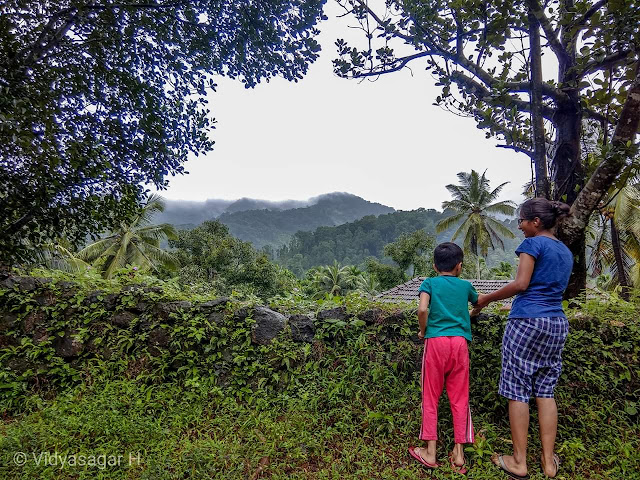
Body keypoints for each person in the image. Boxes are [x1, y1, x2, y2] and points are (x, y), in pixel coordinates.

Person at [470, 198, 573, 479]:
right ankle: (548, 462)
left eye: (522, 221)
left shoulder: (532, 244)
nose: (519, 226)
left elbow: (521, 283)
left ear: (535, 222)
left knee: (518, 389)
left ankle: (519, 461)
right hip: (556, 322)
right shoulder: (564, 251)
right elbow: (546, 289)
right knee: (546, 391)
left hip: (527, 322)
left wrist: (487, 299)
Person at [409, 242, 478, 475]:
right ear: (459, 266)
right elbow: (478, 303)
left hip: (435, 343)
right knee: (460, 397)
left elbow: (422, 310)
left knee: (431, 396)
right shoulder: (465, 286)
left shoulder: (429, 283)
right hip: (459, 343)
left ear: (434, 266)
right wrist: (470, 314)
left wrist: (423, 331)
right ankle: (459, 455)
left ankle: (430, 452)